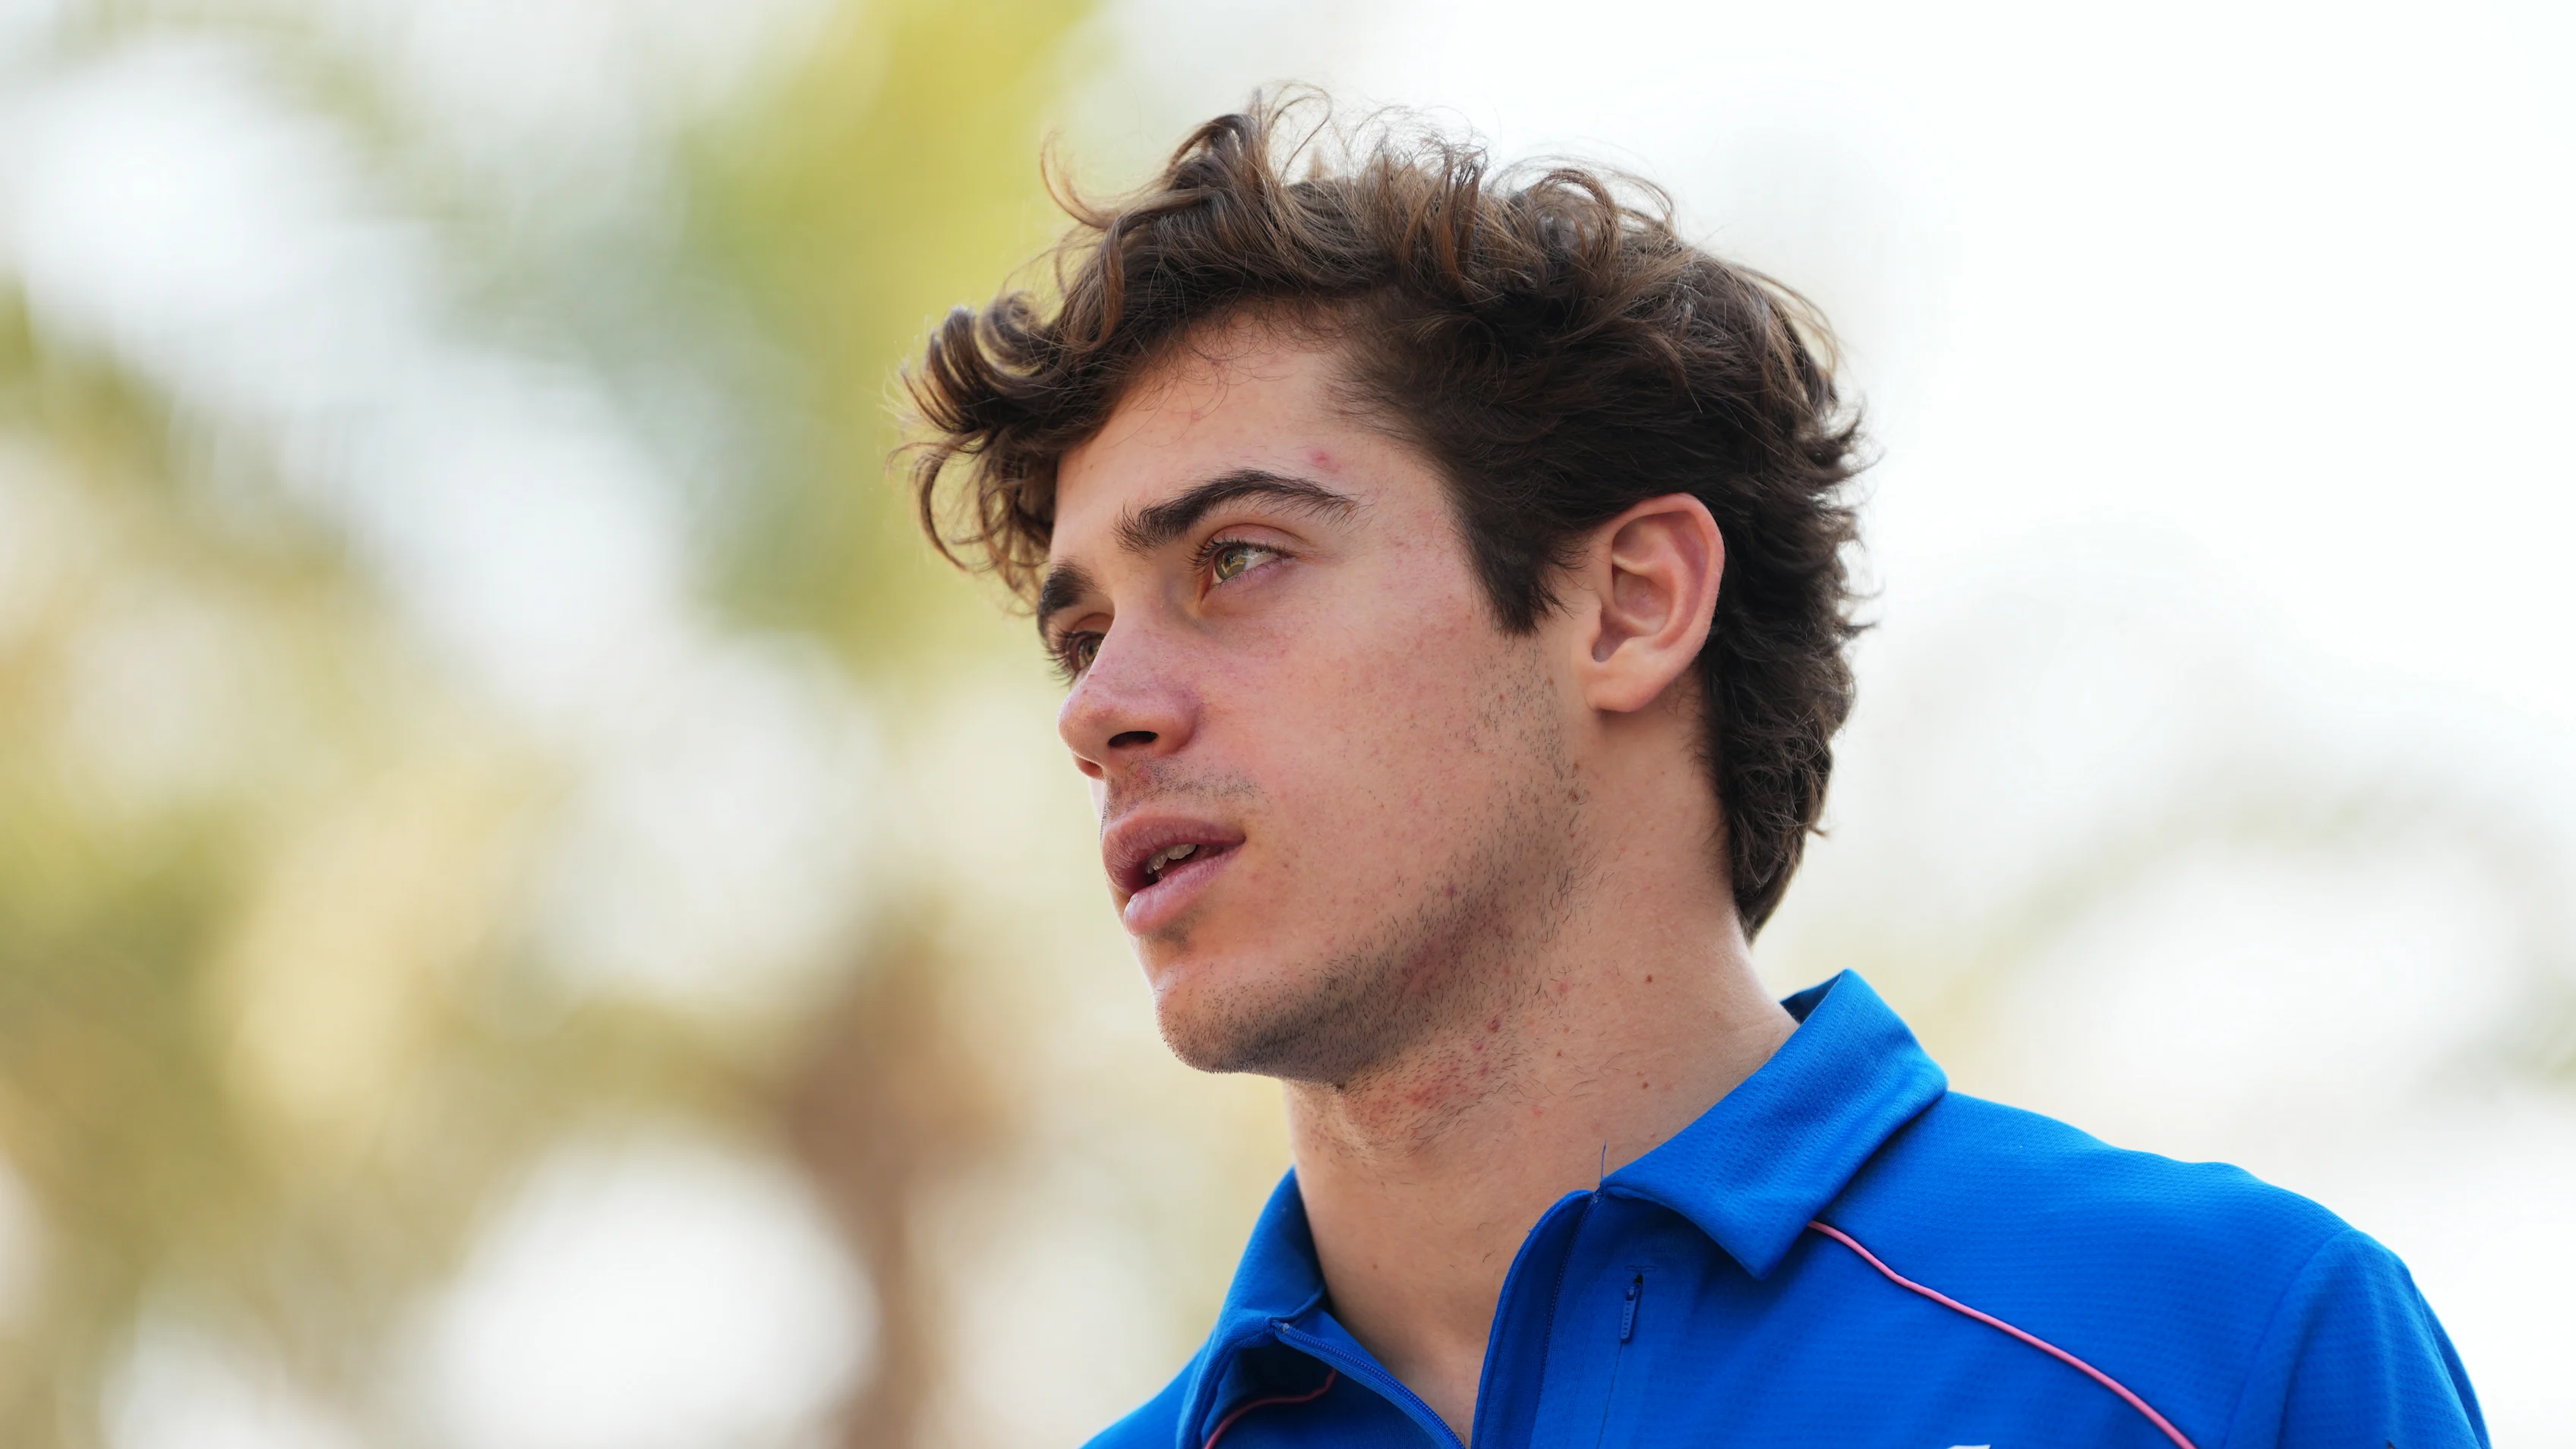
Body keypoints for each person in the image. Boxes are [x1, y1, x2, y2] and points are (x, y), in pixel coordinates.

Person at [902, 95, 2486, 1449]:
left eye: (1237, 560)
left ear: (1630, 605)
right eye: (1081, 633)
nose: (1099, 708)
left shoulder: (2218, 1347)